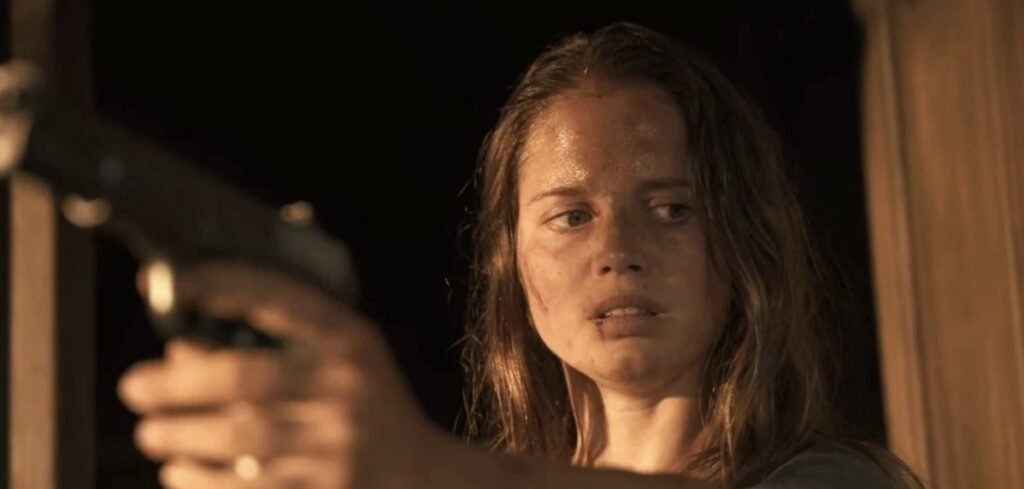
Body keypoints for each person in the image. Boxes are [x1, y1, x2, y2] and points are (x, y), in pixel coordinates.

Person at [117, 22, 925, 488]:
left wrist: (425, 468)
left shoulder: (840, 479)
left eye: (672, 209)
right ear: (513, 264)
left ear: (744, 239)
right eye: (570, 216)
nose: (618, 250)